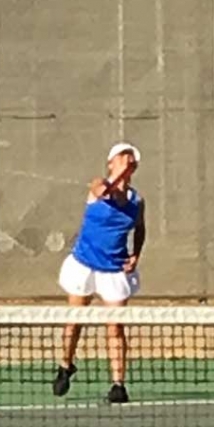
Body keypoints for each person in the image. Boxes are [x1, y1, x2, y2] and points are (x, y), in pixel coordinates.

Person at [53, 142, 146, 404]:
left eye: (132, 160)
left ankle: (118, 384)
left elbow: (140, 228)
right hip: (83, 266)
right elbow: (105, 189)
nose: (128, 161)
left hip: (114, 271)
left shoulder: (137, 201)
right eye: (122, 157)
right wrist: (118, 174)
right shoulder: (97, 187)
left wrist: (136, 253)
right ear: (111, 163)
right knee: (74, 322)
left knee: (115, 327)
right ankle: (66, 365)